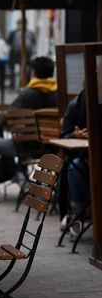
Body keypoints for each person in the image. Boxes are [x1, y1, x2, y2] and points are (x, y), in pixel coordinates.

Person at [0, 56, 58, 203]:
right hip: (52, 147)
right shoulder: (58, 94)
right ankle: (18, 175)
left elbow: (7, 117)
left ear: (33, 73)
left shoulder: (28, 94)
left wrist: (0, 120)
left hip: (26, 147)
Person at [59, 89, 89, 231]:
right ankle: (78, 213)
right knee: (75, 167)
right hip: (83, 157)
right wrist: (75, 135)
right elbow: (64, 135)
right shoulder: (76, 105)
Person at [6, 18, 37, 89]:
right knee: (13, 70)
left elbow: (33, 43)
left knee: (27, 69)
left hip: (26, 54)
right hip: (16, 54)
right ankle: (13, 85)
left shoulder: (30, 33)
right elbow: (9, 42)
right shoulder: (14, 33)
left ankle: (24, 84)